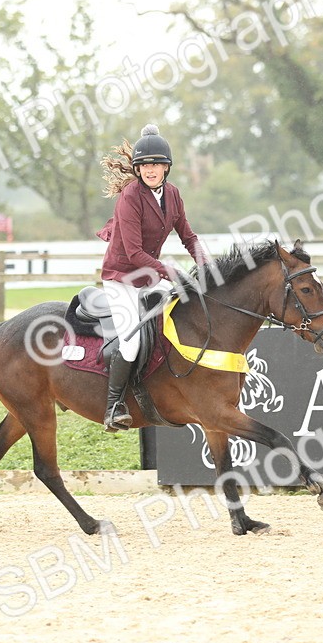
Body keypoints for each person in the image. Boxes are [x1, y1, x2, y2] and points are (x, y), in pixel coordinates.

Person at [97, 124, 208, 432]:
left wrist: (205, 264)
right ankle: (113, 407)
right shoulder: (130, 197)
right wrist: (171, 272)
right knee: (131, 343)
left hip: (149, 275)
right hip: (121, 277)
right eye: (144, 165)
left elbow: (188, 236)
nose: (150, 170)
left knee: (186, 311)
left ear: (166, 168)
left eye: (156, 164)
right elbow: (134, 253)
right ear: (138, 169)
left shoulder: (172, 194)